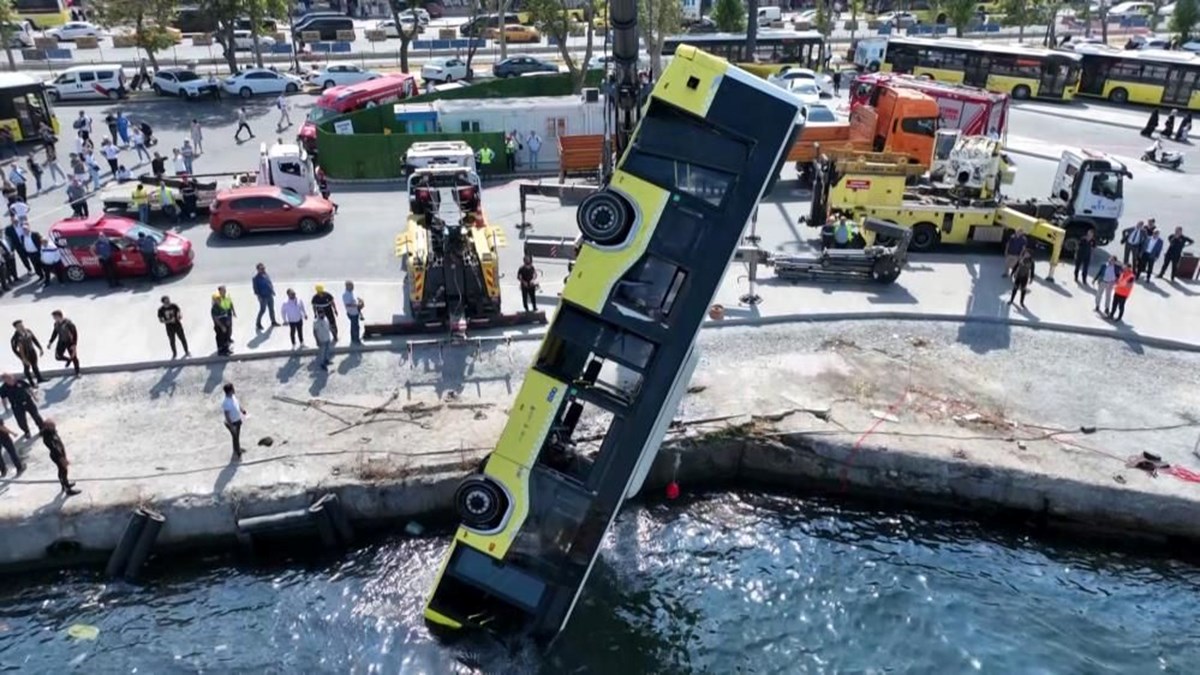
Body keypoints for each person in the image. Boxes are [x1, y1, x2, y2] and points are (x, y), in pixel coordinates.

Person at [41, 419, 80, 496]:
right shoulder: (48, 437)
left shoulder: (52, 432)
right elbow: (55, 448)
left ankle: (64, 484)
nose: (55, 427)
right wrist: (62, 458)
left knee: (62, 469)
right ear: (47, 427)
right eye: (53, 426)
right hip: (57, 455)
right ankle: (67, 489)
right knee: (63, 470)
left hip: (60, 454)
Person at [0, 372, 44, 438]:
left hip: (28, 401)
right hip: (17, 406)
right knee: (21, 421)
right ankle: (26, 431)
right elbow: (3, 399)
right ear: (5, 381)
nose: (10, 380)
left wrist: (34, 397)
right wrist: (6, 408)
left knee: (36, 415)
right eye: (7, 379)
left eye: (10, 377)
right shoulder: (3, 388)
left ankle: (42, 429)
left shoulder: (20, 381)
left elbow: (28, 388)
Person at [10, 320, 45, 385]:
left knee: (35, 365)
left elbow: (34, 339)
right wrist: (22, 358)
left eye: (22, 325)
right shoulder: (15, 337)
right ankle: (31, 382)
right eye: (19, 326)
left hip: (32, 351)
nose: (22, 327)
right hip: (25, 354)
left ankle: (39, 379)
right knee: (27, 368)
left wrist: (40, 348)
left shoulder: (28, 331)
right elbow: (14, 349)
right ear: (16, 327)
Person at [48, 310, 80, 376]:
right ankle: (68, 360)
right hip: (61, 341)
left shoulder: (68, 323)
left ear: (59, 316)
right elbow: (55, 333)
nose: (54, 319)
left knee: (74, 357)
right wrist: (50, 342)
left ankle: (77, 372)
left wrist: (74, 344)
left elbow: (75, 334)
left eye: (55, 317)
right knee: (58, 356)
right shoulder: (56, 324)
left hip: (70, 342)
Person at [252, 263, 280, 331]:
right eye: (261, 269)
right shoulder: (255, 278)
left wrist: (272, 290)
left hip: (269, 295)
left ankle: (273, 321)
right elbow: (255, 289)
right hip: (263, 297)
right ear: (258, 269)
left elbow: (269, 283)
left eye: (264, 268)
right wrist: (259, 297)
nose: (263, 269)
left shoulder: (266, 275)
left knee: (271, 309)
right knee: (262, 310)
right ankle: (258, 323)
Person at [222, 383, 246, 459]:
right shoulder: (226, 402)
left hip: (237, 420)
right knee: (235, 437)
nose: (234, 389)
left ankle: (237, 449)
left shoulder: (232, 396)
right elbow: (227, 415)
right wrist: (231, 426)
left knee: (236, 437)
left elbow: (237, 404)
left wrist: (242, 410)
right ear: (229, 391)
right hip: (233, 423)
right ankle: (237, 452)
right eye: (233, 389)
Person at [342, 280, 364, 345]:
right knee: (355, 327)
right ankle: (356, 339)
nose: (353, 287)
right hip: (352, 313)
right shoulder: (345, 295)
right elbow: (347, 304)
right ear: (347, 286)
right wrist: (357, 305)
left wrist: (359, 300)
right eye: (351, 286)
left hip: (355, 312)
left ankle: (353, 338)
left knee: (354, 326)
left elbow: (354, 300)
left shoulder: (351, 292)